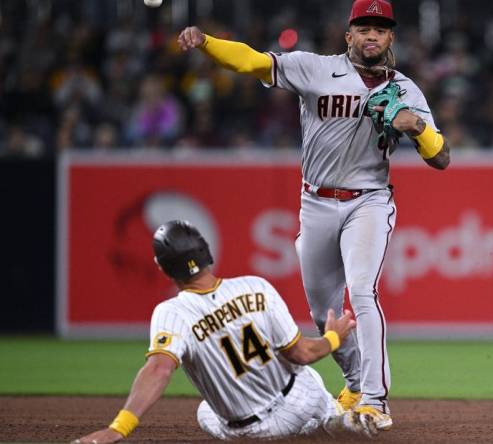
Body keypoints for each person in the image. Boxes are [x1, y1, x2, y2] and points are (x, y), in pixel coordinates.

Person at [177, 0, 451, 429]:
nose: (372, 35)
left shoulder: (405, 89)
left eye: (380, 28)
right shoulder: (315, 68)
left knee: (362, 292)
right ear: (349, 36)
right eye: (364, 27)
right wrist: (207, 43)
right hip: (316, 202)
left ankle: (375, 401)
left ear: (391, 37)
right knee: (324, 313)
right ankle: (356, 383)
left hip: (369, 200)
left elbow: (441, 158)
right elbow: (252, 63)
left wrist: (419, 129)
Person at [72, 220, 378, 443]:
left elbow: (159, 370)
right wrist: (334, 336)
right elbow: (302, 354)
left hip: (251, 431)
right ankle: (334, 420)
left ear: (164, 268)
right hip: (301, 400)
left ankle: (320, 426)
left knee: (206, 412)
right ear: (206, 253)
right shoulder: (256, 287)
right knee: (302, 376)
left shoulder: (171, 313)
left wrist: (118, 428)